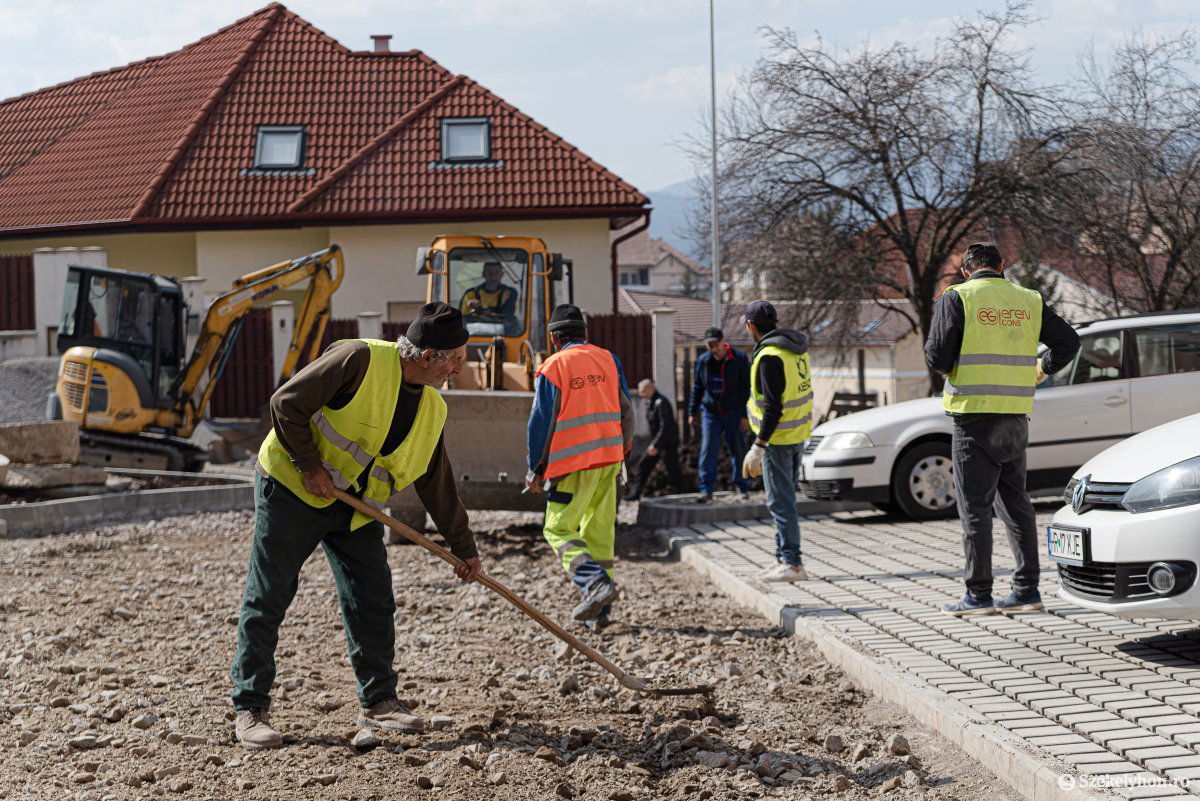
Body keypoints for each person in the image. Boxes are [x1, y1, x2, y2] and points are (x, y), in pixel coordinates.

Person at [230, 302, 482, 750]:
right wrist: (308, 465)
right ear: (429, 357)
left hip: (354, 508)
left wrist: (463, 547)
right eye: (458, 358)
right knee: (269, 596)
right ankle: (250, 706)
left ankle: (380, 701)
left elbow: (435, 479)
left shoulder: (432, 408)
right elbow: (285, 403)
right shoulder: (358, 358)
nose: (461, 368)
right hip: (291, 489)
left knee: (372, 598)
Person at [926, 242, 1080, 616]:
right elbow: (1069, 341)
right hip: (1014, 414)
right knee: (1017, 504)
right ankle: (1027, 591)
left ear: (966, 270)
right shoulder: (1028, 298)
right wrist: (1042, 367)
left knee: (975, 508)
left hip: (973, 416)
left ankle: (978, 595)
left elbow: (937, 356)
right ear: (1002, 266)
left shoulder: (957, 297)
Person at [526, 304, 635, 627]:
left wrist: (536, 468)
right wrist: (622, 450)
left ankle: (593, 584)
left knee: (557, 529)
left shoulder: (553, 366)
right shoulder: (608, 359)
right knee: (599, 533)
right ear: (585, 332)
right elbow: (626, 410)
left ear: (554, 338)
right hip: (609, 460)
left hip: (572, 463)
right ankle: (600, 613)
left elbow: (540, 423)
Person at [740, 301, 814, 582]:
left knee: (781, 502)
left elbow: (773, 407)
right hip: (796, 434)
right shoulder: (793, 351)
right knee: (783, 500)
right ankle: (782, 558)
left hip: (778, 439)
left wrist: (758, 446)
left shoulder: (770, 356)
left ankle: (793, 564)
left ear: (751, 326)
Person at [688, 327, 752, 503]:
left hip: (733, 411)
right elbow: (697, 387)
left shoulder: (738, 359)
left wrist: (744, 415)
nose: (714, 348)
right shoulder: (703, 361)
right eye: (710, 345)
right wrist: (692, 412)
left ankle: (742, 486)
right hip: (711, 412)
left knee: (738, 449)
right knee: (708, 449)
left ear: (724, 342)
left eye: (716, 344)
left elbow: (745, 388)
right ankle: (706, 490)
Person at [624, 378, 687, 500]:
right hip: (659, 443)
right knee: (644, 465)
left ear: (651, 389)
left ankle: (683, 492)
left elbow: (666, 427)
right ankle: (634, 493)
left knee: (674, 469)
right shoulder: (652, 402)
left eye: (642, 392)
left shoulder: (661, 403)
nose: (641, 395)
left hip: (667, 444)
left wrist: (656, 445)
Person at [460, 261, 518, 333]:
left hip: (504, 335)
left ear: (502, 274)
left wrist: (481, 307)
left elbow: (507, 312)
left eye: (496, 272)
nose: (493, 277)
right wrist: (471, 307)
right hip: (474, 334)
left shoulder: (510, 292)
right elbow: (462, 317)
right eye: (489, 273)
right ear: (483, 274)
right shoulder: (471, 293)